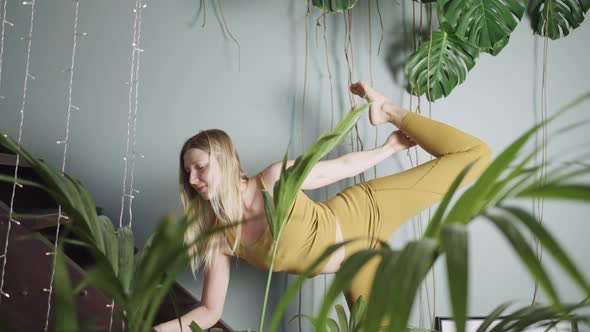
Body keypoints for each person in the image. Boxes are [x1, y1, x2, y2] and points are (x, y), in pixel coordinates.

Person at [153, 82, 492, 331]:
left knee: (475, 158)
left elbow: (340, 167)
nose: (194, 179)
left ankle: (388, 110)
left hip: (366, 212)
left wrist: (388, 149)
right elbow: (210, 311)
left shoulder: (273, 180)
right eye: (188, 173)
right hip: (357, 263)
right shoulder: (219, 237)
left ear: (225, 159)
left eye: (200, 167)